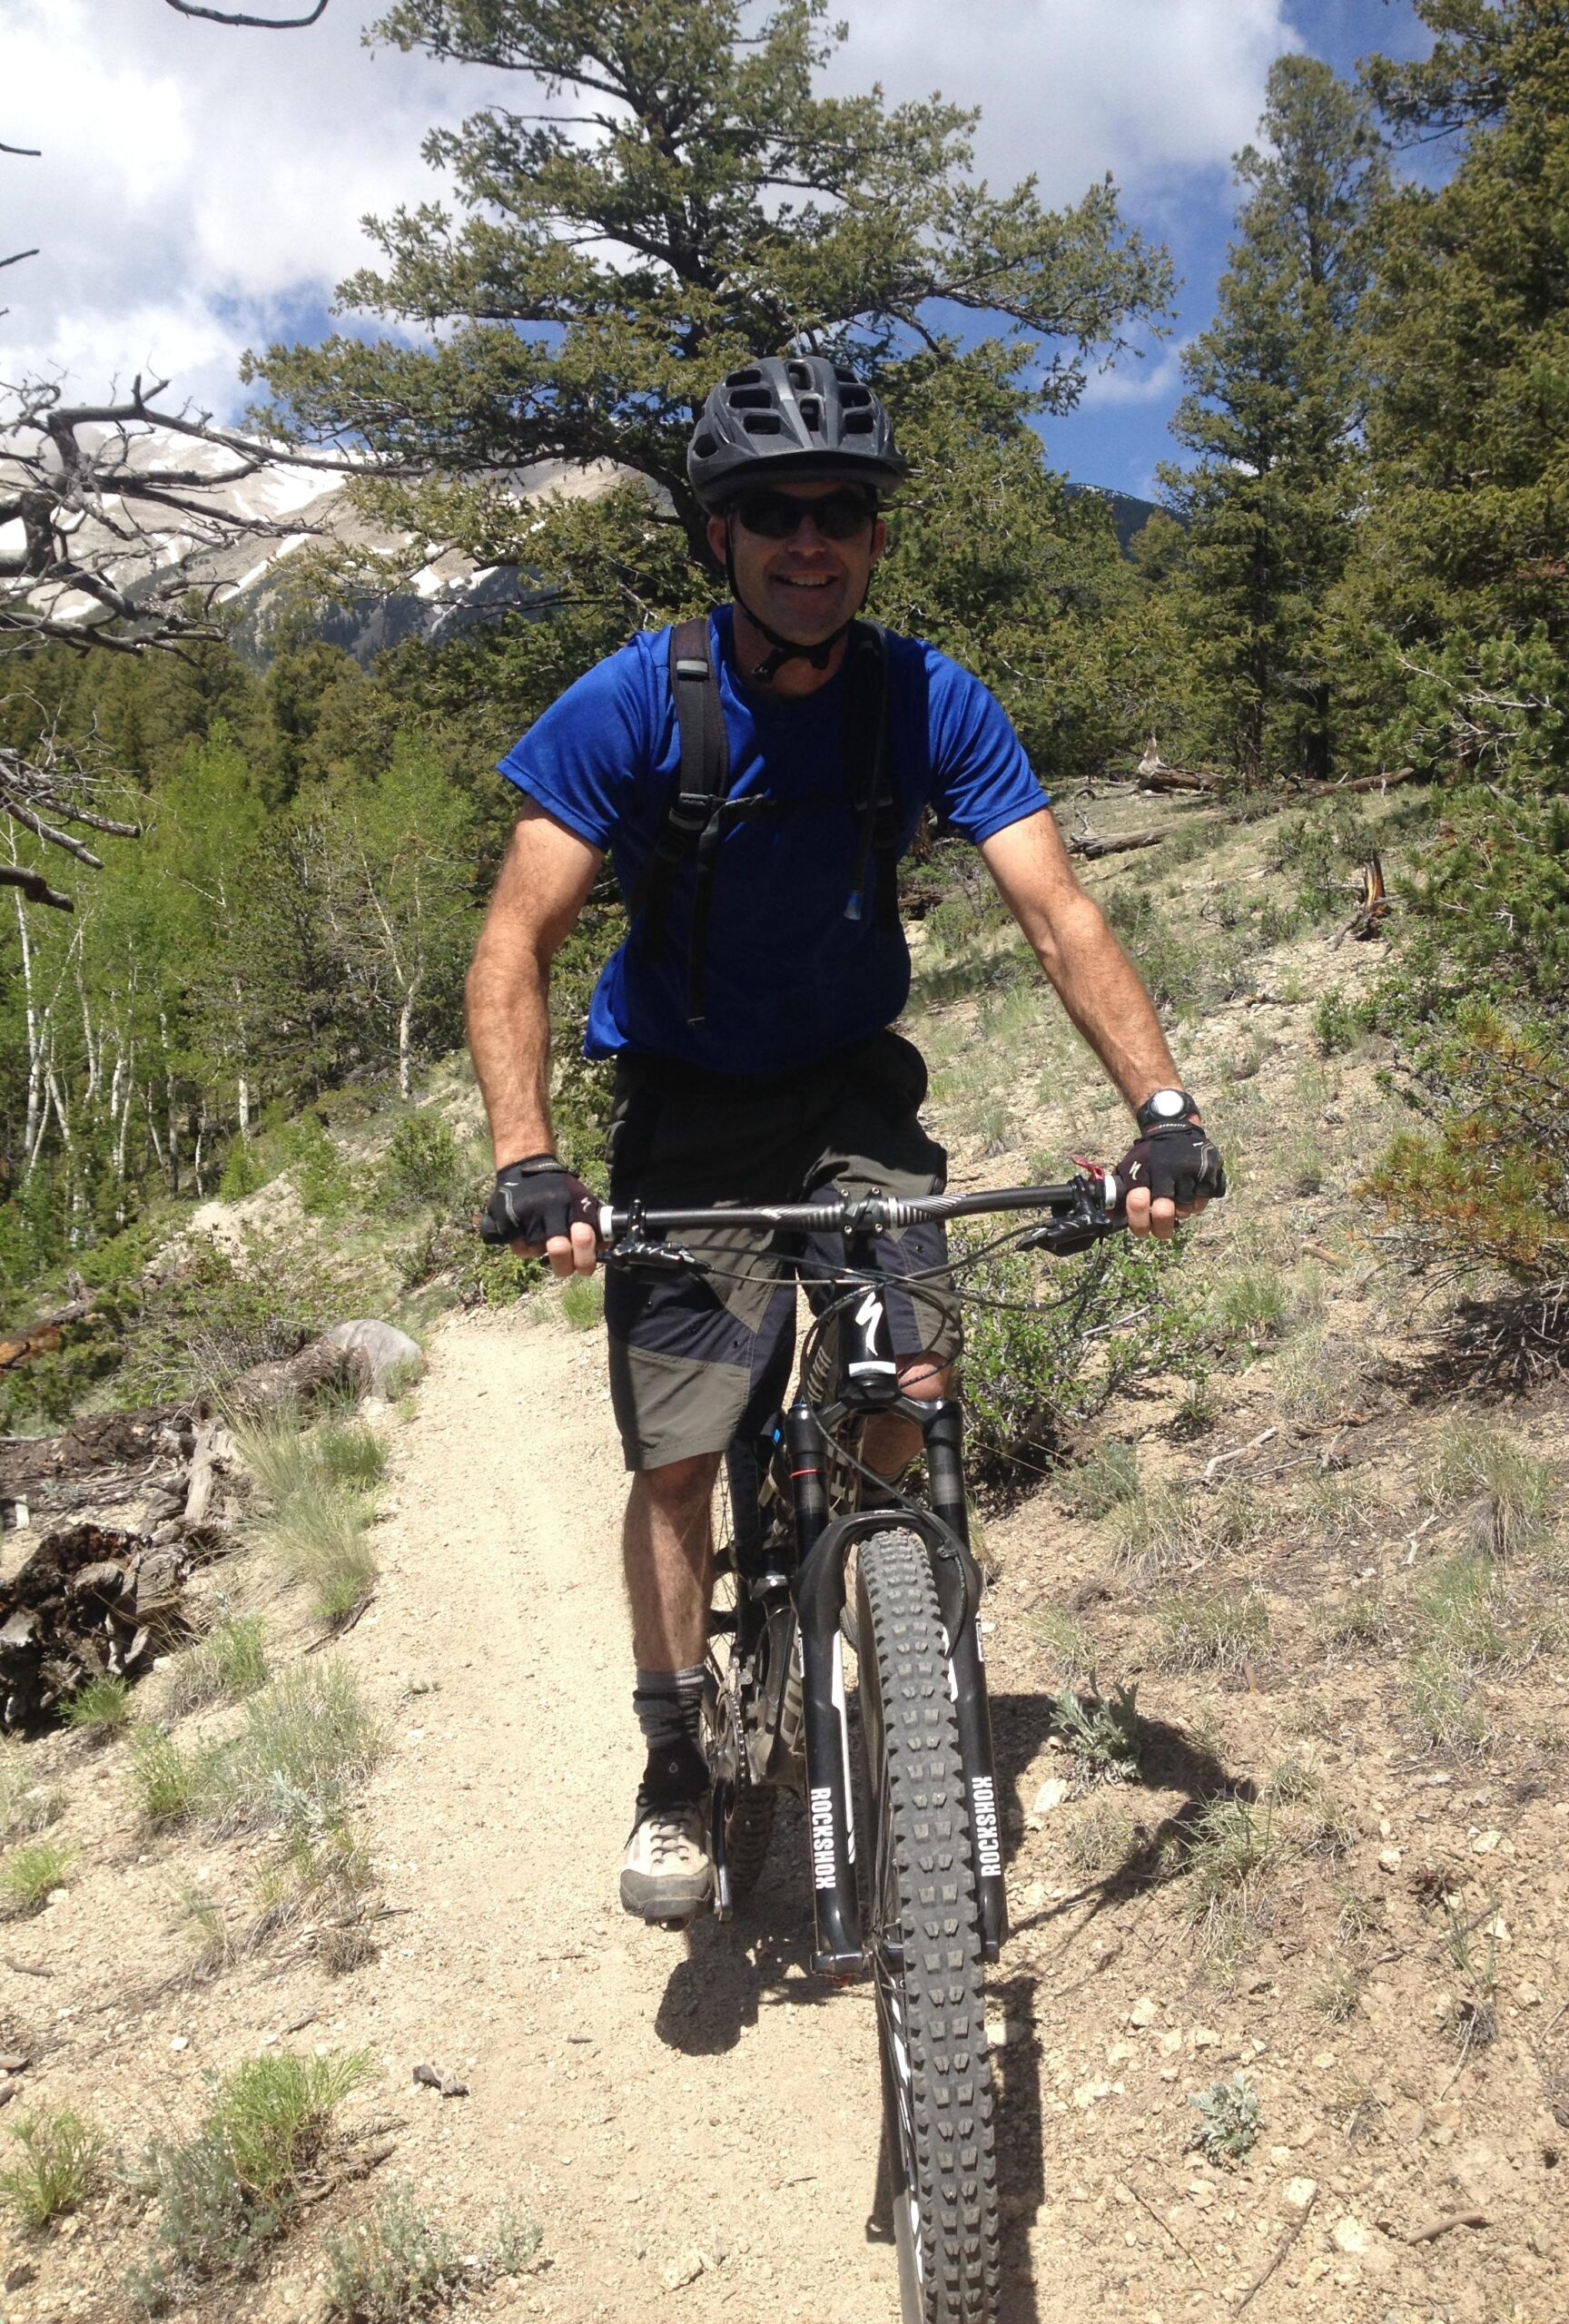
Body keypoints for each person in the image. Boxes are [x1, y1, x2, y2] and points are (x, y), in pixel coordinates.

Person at [466, 355, 1225, 1923]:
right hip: (687, 1113)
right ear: (720, 538)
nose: (809, 543)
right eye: (773, 515)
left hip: (852, 1097)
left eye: (842, 515)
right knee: (678, 1454)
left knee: (909, 1376)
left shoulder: (925, 699)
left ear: (875, 541)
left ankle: (875, 1589)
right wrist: (529, 1156)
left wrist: (1162, 1111)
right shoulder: (634, 704)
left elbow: (1058, 908)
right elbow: (513, 945)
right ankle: (676, 1762)